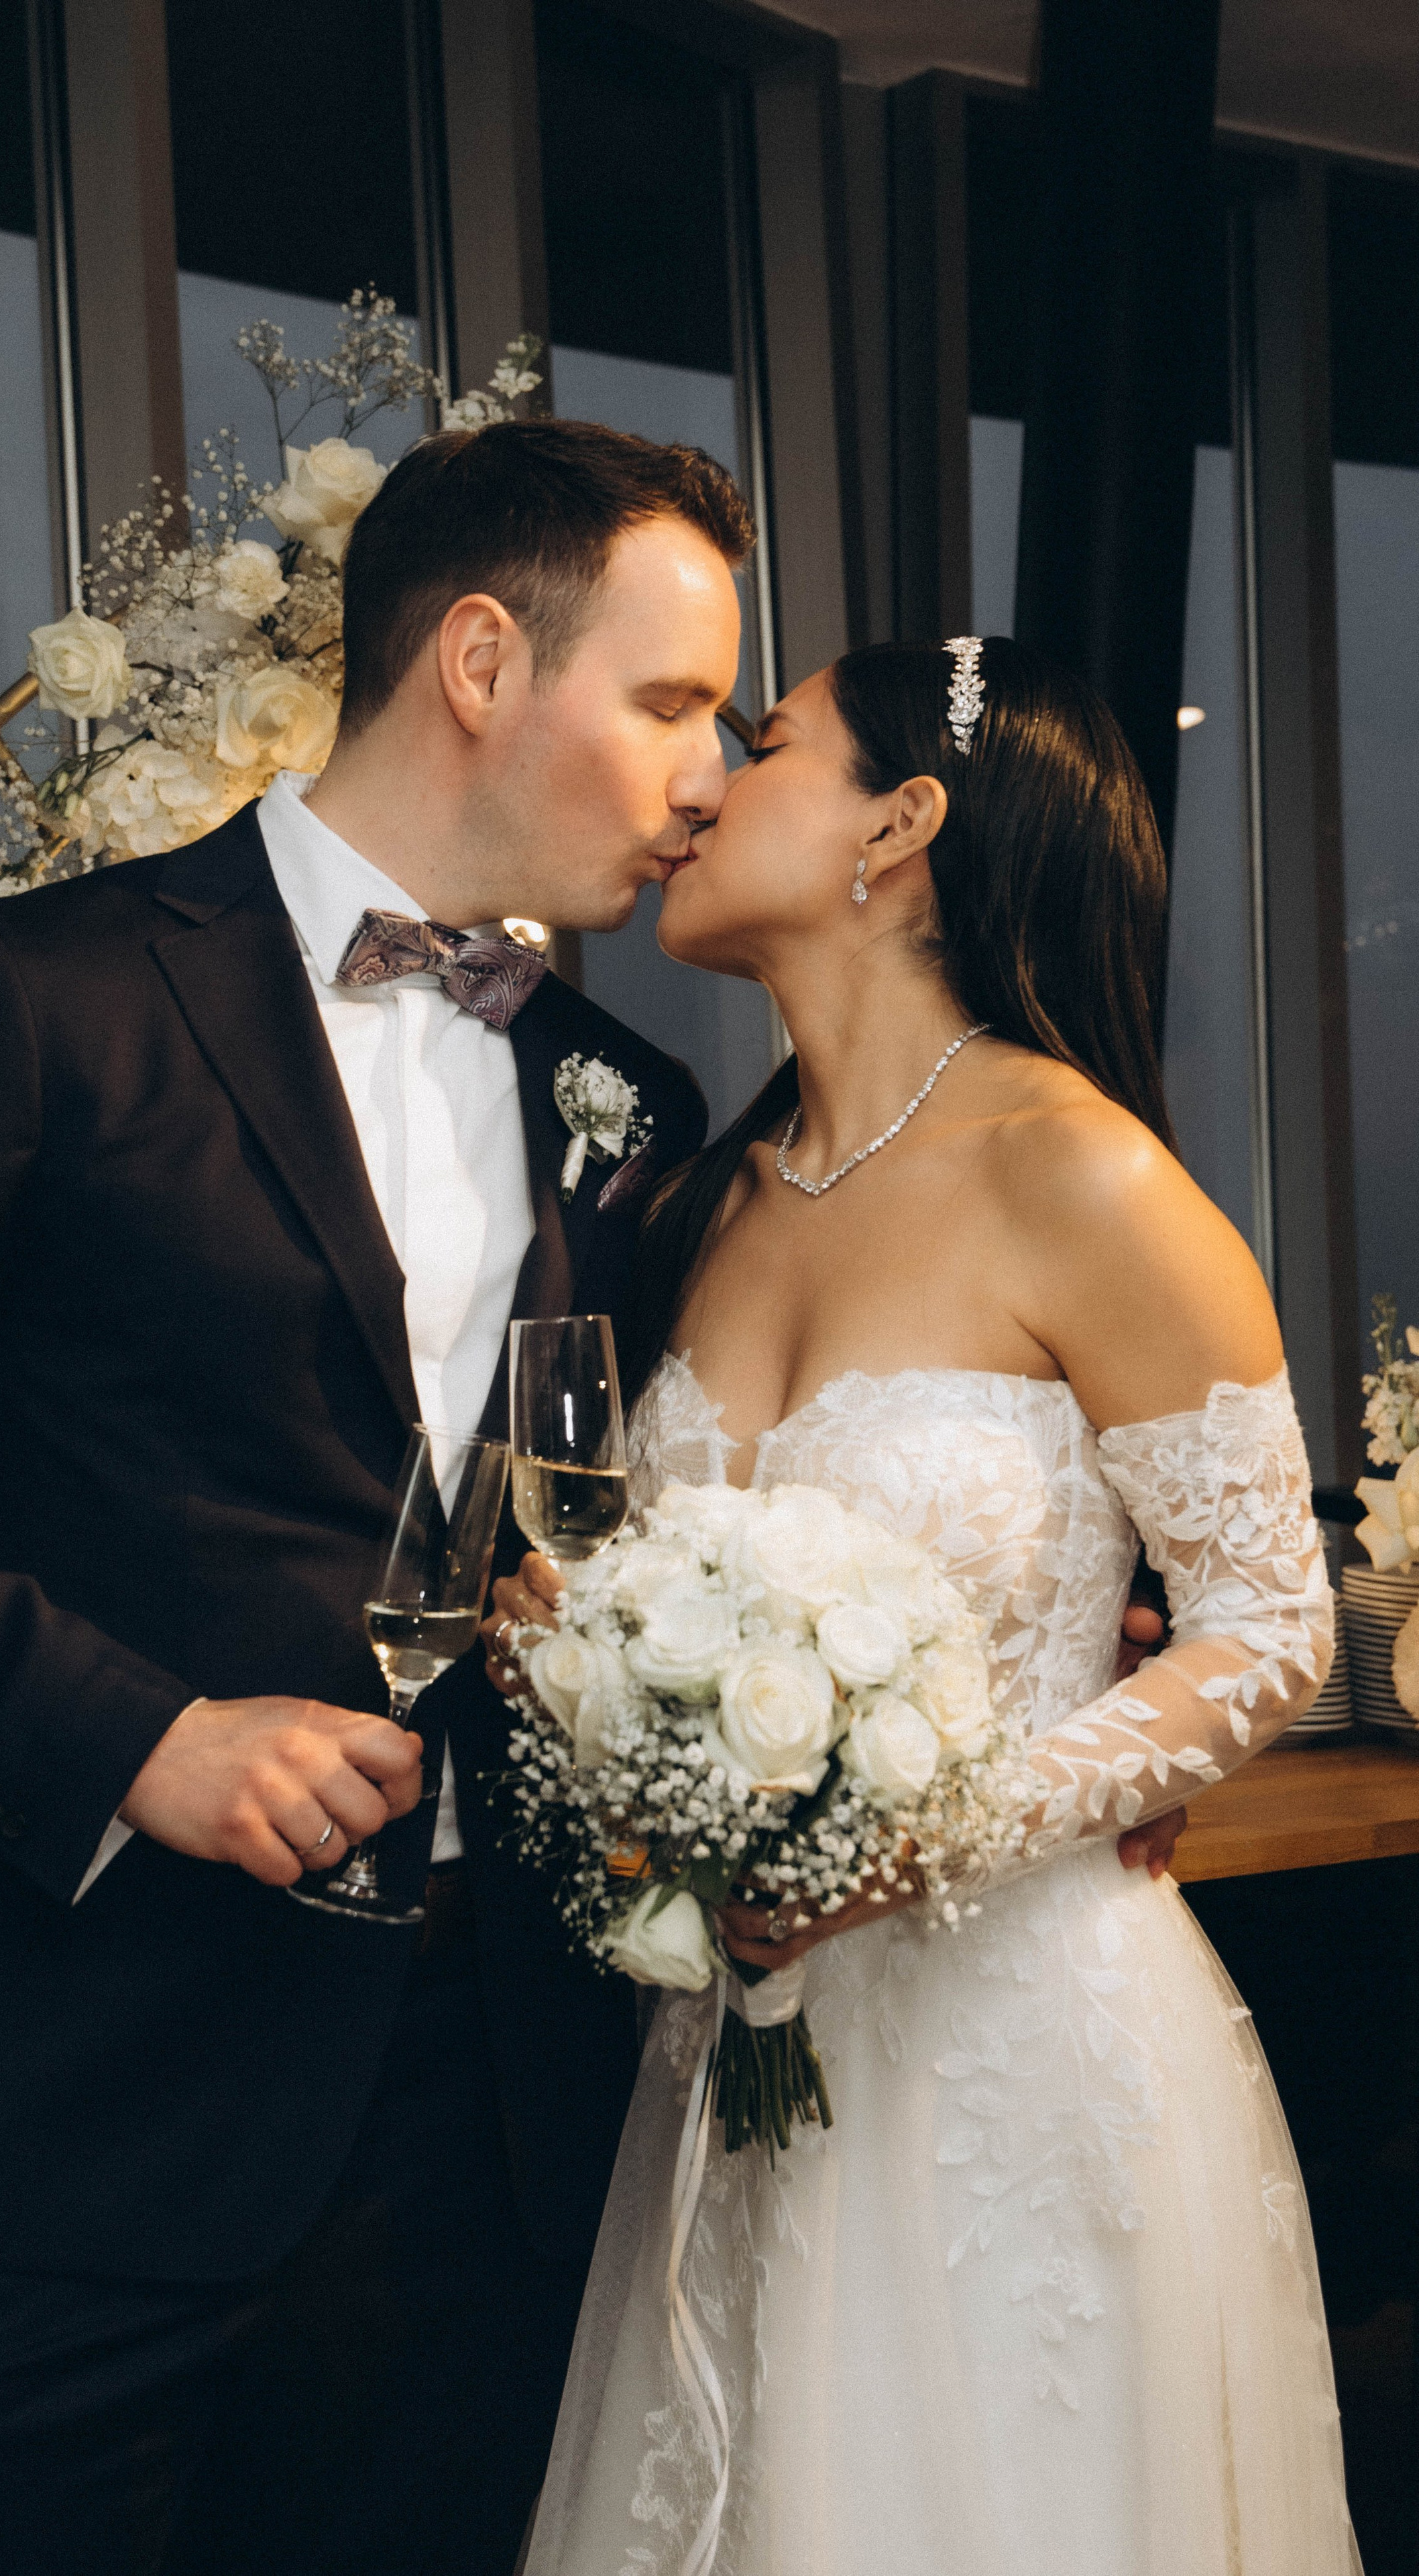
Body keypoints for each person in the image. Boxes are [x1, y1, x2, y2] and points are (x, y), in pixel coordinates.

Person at [0, 419, 744, 2574]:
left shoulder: (626, 1102)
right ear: (479, 660)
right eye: (667, 703)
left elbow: (600, 1509)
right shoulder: (33, 996)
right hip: (71, 2118)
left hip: (494, 2122)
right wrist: (140, 1738)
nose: (709, 774)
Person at [491, 638, 1358, 2576]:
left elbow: (1268, 1626)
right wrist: (570, 1653)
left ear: (902, 822)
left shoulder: (1085, 1174)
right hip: (736, 2063)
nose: (703, 787)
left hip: (1014, 2056)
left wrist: (929, 1837)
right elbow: (641, 1599)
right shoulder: (706, 1198)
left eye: (764, 742)